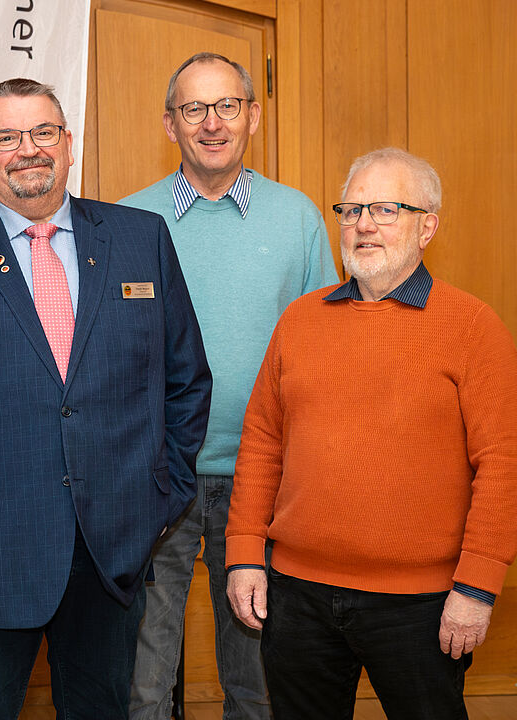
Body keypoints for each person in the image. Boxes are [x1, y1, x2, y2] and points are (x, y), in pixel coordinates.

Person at [0, 77, 213, 720]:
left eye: (42, 132)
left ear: (69, 143)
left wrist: (157, 498)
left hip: (110, 551)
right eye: (6, 136)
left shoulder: (141, 238)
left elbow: (186, 381)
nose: (27, 149)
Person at [225, 147, 517, 719]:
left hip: (421, 605)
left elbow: (505, 465)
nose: (363, 224)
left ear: (427, 227)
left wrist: (476, 587)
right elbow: (263, 442)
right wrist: (244, 554)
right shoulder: (299, 319)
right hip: (296, 595)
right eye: (351, 209)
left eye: (386, 209)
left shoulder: (471, 325)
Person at [120, 52, 337, 720]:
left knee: (258, 677)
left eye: (227, 106)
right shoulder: (128, 222)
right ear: (169, 123)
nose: (212, 123)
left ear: (254, 115)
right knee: (145, 678)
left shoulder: (297, 217)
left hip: (265, 481)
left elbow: (326, 351)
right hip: (160, 479)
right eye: (194, 108)